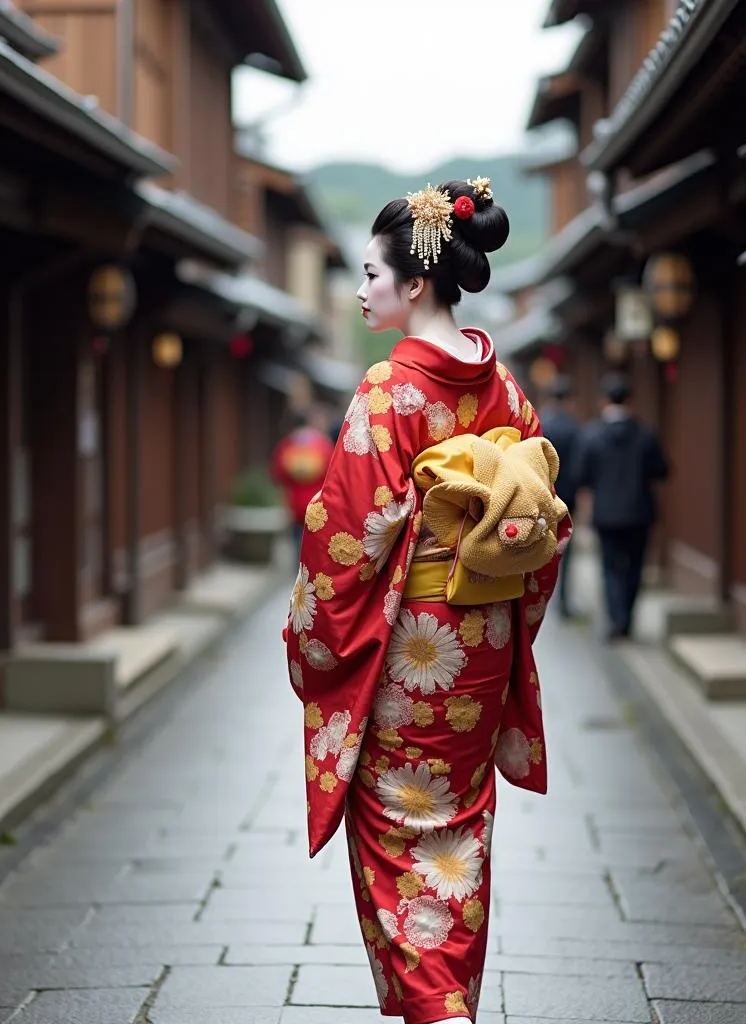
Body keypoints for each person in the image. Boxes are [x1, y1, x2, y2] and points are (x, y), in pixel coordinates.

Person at [284, 177, 571, 1024]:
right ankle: (453, 1000)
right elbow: (538, 524)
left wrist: (315, 641)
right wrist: (511, 619)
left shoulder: (387, 392)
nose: (362, 289)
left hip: (412, 645)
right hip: (477, 638)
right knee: (459, 831)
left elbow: (345, 541)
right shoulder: (506, 391)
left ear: (414, 284)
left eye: (371, 274)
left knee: (396, 832)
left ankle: (434, 1010)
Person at [576, 372, 668, 641]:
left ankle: (617, 619)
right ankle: (626, 618)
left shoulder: (592, 435)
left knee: (609, 567)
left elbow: (581, 475)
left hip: (605, 513)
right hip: (639, 511)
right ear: (630, 399)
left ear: (604, 400)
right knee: (635, 566)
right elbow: (662, 470)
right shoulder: (645, 434)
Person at [537, 375, 580, 618]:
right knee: (567, 551)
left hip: (543, 495)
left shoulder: (543, 424)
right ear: (569, 399)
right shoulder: (574, 427)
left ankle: (540, 595)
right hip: (568, 498)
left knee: (542, 547)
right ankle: (563, 600)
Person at [270, 405, 335, 549]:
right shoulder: (323, 445)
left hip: (295, 507)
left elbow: (278, 475)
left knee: (297, 547)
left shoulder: (287, 445)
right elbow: (332, 476)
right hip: (318, 506)